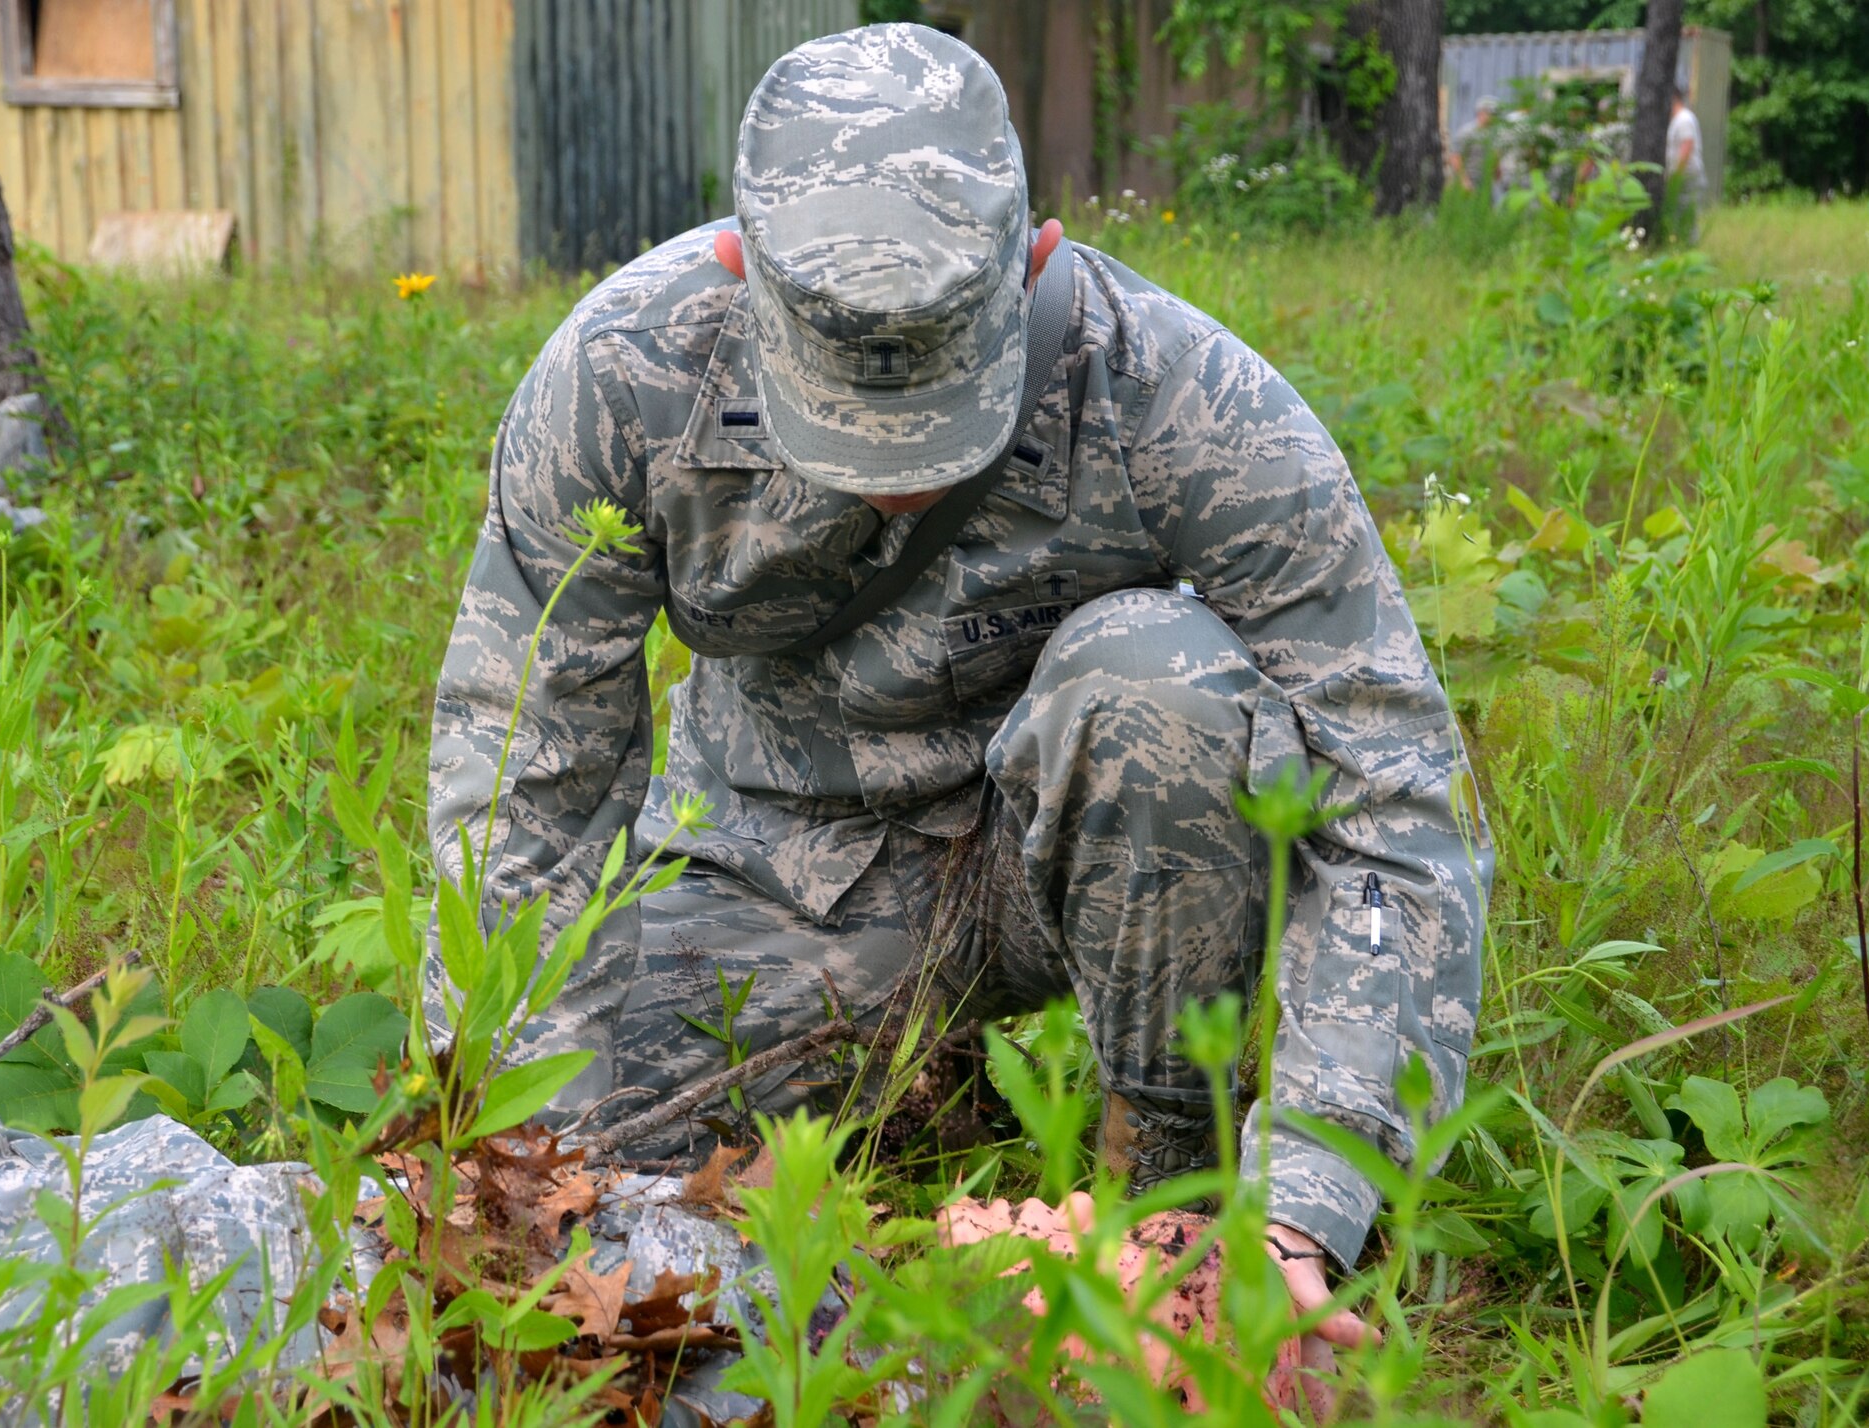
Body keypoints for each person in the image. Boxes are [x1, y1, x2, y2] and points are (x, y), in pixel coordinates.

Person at [428, 22, 1489, 1370]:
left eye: (942, 405)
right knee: (579, 1162)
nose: (894, 479)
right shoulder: (622, 379)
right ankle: (919, 1106)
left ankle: (1168, 1196)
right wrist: (521, 1194)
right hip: (782, 888)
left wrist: (1309, 1210)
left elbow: (1391, 794)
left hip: (1067, 868)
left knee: (1160, 681)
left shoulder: (1188, 400)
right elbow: (527, 789)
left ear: (1036, 259)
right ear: (738, 270)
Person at [1666, 83, 1705, 237]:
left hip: (1686, 178)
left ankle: (1689, 247)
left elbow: (1686, 146)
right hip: (1682, 178)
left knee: (1687, 217)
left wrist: (1675, 177)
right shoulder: (1677, 120)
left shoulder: (1684, 119)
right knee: (1679, 217)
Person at [1447, 96, 1500, 202]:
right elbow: (1455, 157)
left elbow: (1495, 159)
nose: (1493, 117)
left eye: (1495, 114)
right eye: (1491, 113)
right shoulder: (1467, 132)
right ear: (1481, 113)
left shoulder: (1494, 134)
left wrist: (1497, 171)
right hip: (1469, 182)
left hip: (1485, 184)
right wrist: (1464, 180)